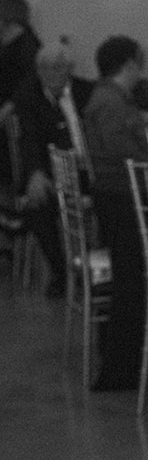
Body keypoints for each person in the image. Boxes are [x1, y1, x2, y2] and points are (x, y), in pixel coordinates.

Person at [6, 44, 94, 292]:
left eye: (58, 67)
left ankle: (99, 272)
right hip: (53, 173)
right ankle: (62, 272)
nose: (51, 73)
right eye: (44, 68)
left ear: (69, 68)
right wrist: (35, 173)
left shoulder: (87, 90)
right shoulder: (28, 96)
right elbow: (29, 139)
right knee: (37, 205)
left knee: (113, 198)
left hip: (90, 170)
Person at [82, 36, 148, 182]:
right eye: (140, 63)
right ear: (129, 65)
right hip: (122, 183)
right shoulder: (111, 102)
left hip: (122, 178)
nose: (141, 71)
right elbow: (120, 150)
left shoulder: (108, 95)